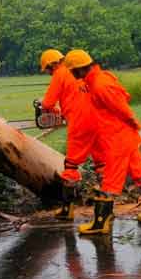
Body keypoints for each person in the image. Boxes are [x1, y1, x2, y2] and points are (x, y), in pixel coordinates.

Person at [65, 49, 141, 235]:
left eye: (72, 70)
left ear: (79, 69)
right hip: (124, 138)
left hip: (117, 139)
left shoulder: (100, 84)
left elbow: (121, 106)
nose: (71, 74)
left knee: (110, 182)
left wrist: (133, 121)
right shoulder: (96, 80)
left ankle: (101, 223)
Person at [39, 49, 103, 220]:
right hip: (96, 120)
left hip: (79, 123)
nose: (49, 73)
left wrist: (48, 108)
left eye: (48, 69)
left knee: (71, 166)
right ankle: (105, 209)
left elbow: (48, 103)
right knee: (101, 164)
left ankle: (68, 209)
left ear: (53, 64)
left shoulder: (60, 73)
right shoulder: (78, 71)